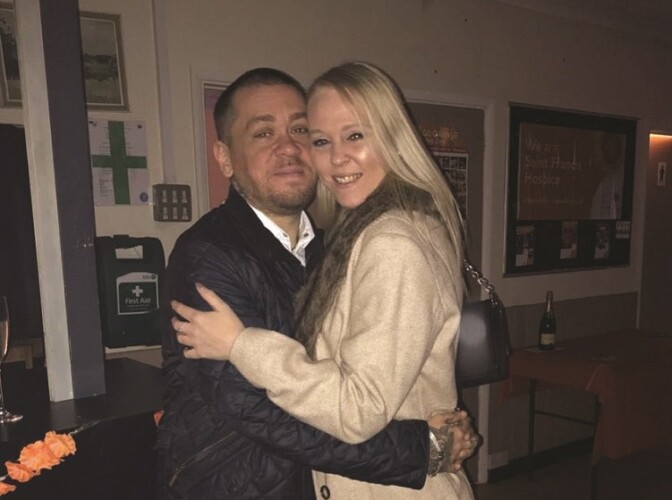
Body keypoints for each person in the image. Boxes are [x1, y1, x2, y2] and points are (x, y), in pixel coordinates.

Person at [156, 67, 476, 500]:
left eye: (301, 131)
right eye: (263, 133)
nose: (289, 147)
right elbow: (255, 409)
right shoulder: (207, 256)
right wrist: (421, 450)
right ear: (225, 158)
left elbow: (355, 389)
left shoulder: (341, 246)